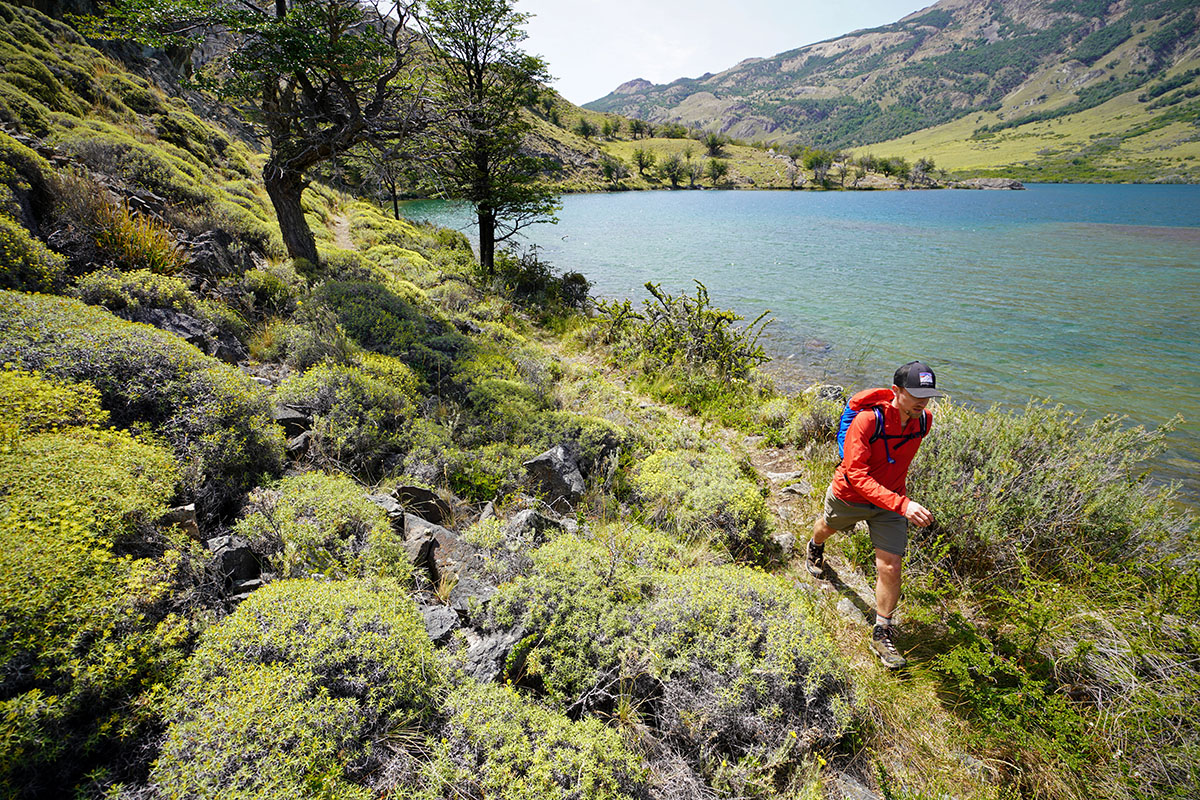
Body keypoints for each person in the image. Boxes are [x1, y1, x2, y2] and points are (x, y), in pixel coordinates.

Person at [806, 361, 943, 669]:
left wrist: (897, 501)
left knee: (891, 566)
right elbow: (856, 473)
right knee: (826, 527)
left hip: (890, 504)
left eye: (928, 394)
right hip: (851, 495)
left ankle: (881, 632)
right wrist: (904, 505)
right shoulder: (868, 421)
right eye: (916, 393)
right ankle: (814, 547)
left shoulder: (924, 421)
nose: (923, 401)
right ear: (897, 390)